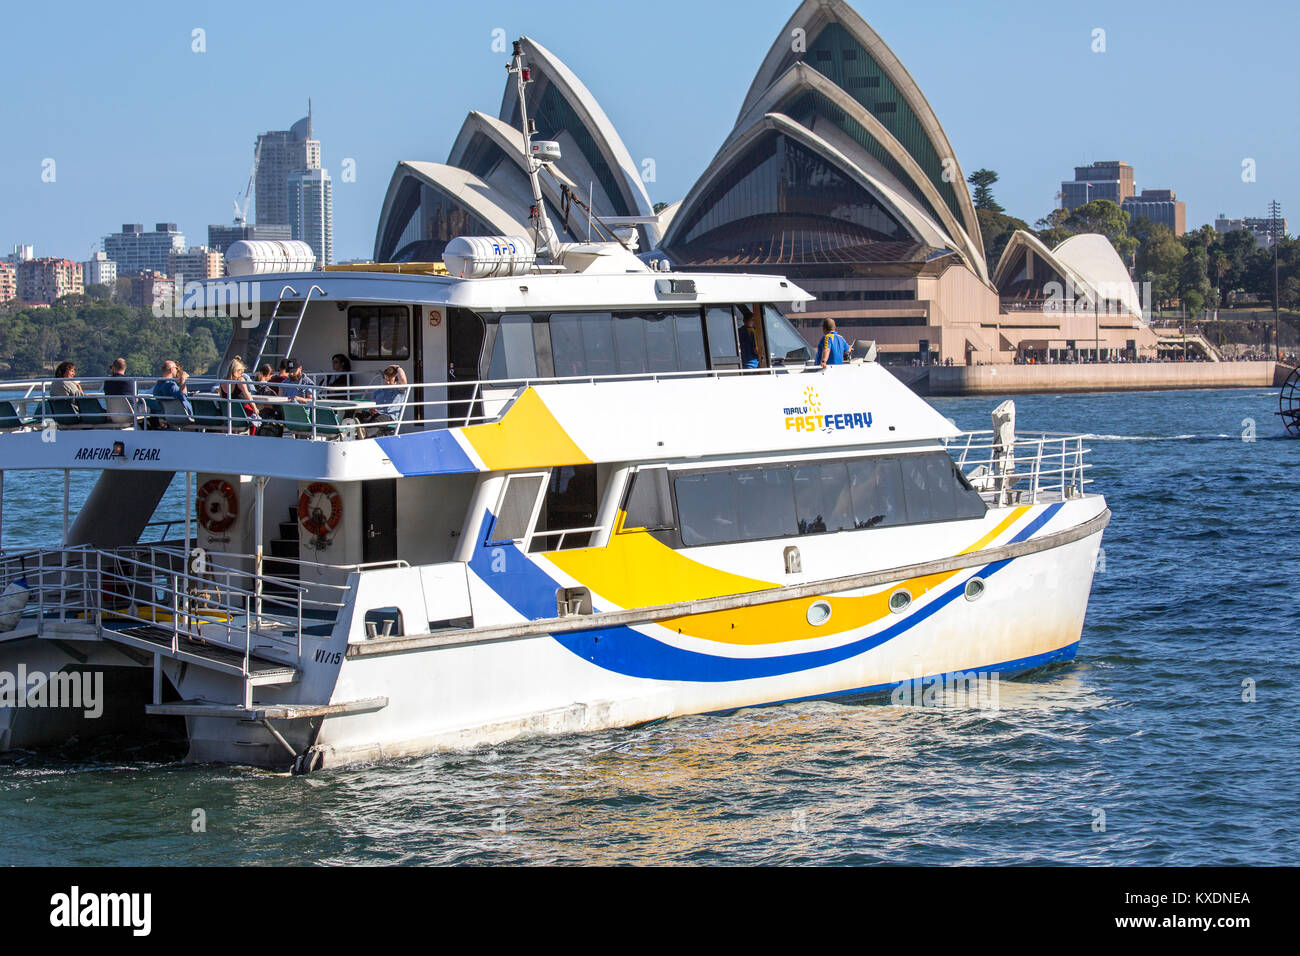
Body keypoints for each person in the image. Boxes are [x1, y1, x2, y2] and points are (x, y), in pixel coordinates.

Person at [356, 365, 408, 434]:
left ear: (395, 379)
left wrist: (398, 368)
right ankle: (346, 432)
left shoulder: (398, 390)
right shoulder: (377, 391)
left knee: (379, 419)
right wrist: (371, 409)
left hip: (389, 416)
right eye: (386, 379)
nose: (387, 382)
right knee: (359, 415)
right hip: (376, 414)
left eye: (390, 380)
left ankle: (365, 433)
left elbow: (403, 381)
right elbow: (372, 404)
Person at [217, 357, 259, 433]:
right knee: (255, 417)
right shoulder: (240, 380)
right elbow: (247, 395)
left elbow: (221, 399)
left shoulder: (222, 382)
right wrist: (255, 408)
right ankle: (252, 437)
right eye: (241, 371)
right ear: (237, 371)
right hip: (242, 412)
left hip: (228, 413)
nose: (242, 374)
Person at [151, 359, 193, 425]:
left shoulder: (157, 385)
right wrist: (183, 380)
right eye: (176, 368)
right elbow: (183, 396)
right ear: (171, 370)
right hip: (182, 416)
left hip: (166, 416)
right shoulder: (171, 385)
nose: (177, 370)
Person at [103, 357, 138, 425]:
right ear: (125, 368)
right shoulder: (131, 381)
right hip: (130, 415)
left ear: (113, 367)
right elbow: (136, 399)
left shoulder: (107, 382)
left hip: (113, 416)